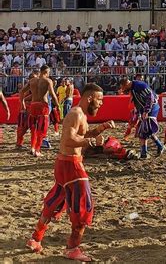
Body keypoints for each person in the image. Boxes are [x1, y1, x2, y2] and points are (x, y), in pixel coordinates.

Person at [26, 83, 115, 261]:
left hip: (64, 164)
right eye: (99, 100)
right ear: (90, 98)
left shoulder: (79, 114)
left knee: (55, 200)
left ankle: (35, 238)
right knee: (84, 206)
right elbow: (69, 139)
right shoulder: (75, 113)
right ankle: (73, 248)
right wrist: (88, 143)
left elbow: (83, 133)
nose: (101, 104)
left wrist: (100, 129)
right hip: (71, 165)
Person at [119, 77, 165, 158]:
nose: (122, 89)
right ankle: (157, 147)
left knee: (144, 131)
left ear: (126, 84)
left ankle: (147, 152)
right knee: (145, 131)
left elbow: (150, 97)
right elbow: (138, 102)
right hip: (145, 110)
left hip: (152, 108)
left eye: (123, 87)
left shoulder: (139, 85)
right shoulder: (133, 88)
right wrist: (140, 113)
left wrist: (146, 111)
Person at [28, 65, 60, 157]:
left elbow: (22, 91)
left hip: (33, 104)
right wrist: (58, 106)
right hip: (43, 105)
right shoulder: (47, 81)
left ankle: (32, 148)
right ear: (46, 72)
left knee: (33, 128)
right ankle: (37, 150)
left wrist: (22, 101)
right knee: (42, 129)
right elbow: (53, 95)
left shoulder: (32, 81)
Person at [17, 71, 39, 148]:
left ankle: (20, 143)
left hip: (29, 107)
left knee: (27, 126)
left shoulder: (30, 86)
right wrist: (23, 102)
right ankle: (20, 143)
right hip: (27, 107)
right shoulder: (29, 87)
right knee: (26, 126)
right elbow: (25, 95)